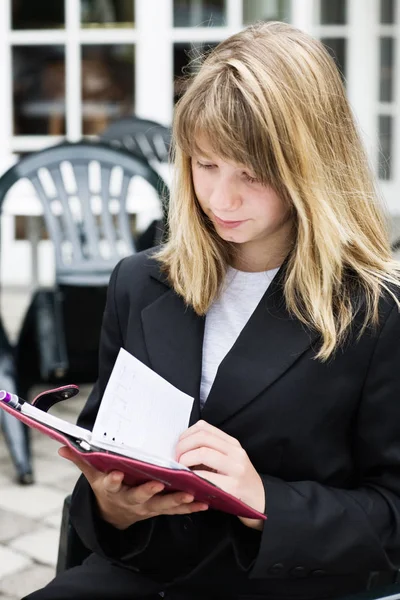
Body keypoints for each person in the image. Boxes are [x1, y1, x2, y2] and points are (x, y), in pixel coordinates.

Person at [24, 20, 400, 600]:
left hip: (287, 585)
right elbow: (103, 462)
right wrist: (111, 505)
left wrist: (267, 503)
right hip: (141, 574)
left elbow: (392, 516)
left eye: (251, 174)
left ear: (313, 167)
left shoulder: (374, 310)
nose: (221, 199)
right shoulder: (140, 283)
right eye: (205, 165)